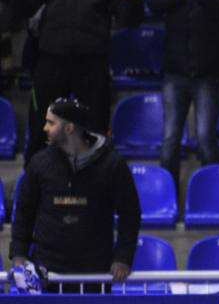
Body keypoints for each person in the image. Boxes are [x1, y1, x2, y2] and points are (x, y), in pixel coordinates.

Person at [13, 0, 142, 160]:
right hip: (51, 61)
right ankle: (34, 190)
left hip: (92, 65)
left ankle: (93, 192)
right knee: (41, 130)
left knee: (94, 134)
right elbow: (25, 10)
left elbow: (129, 19)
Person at [8, 98, 141, 289]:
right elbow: (23, 212)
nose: (45, 127)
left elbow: (131, 214)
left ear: (69, 128)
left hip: (95, 272)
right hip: (46, 271)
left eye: (51, 123)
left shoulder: (112, 165)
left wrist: (123, 257)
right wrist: (19, 254)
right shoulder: (39, 163)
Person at [147, 0, 219, 186]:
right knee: (170, 139)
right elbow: (155, 1)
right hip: (175, 74)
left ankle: (213, 191)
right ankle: (168, 193)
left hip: (208, 75)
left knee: (206, 137)